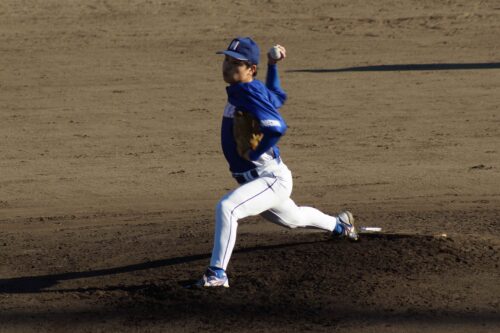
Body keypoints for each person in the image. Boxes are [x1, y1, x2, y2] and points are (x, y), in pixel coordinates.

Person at [198, 37, 358, 288]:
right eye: (226, 60)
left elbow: (277, 127)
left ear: (250, 69)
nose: (227, 66)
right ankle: (340, 225)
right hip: (263, 179)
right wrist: (273, 66)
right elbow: (277, 96)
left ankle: (217, 274)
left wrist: (255, 152)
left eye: (235, 63)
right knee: (293, 218)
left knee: (228, 208)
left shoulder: (248, 92)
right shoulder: (252, 89)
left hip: (269, 178)